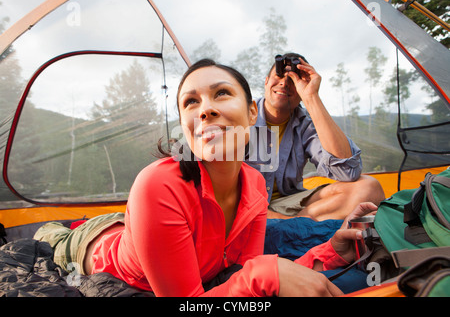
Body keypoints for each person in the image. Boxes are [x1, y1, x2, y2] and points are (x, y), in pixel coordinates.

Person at [34, 59, 375, 297]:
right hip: (91, 244)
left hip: (140, 228)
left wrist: (329, 253)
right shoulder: (158, 185)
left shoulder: (254, 185)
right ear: (184, 124)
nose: (205, 109)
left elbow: (242, 275)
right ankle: (66, 229)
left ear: (252, 112)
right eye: (191, 101)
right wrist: (263, 275)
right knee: (54, 234)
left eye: (221, 93)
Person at [246, 53, 385, 221]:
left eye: (292, 79)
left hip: (288, 204)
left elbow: (348, 171)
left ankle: (288, 225)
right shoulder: (241, 116)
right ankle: (297, 226)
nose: (284, 83)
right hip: (245, 205)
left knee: (369, 188)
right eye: (279, 75)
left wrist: (311, 96)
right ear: (266, 81)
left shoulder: (304, 124)